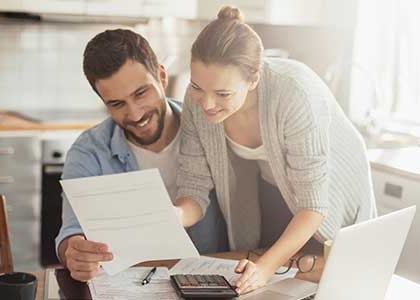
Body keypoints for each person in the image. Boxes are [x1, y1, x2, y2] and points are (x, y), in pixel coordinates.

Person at [173, 6, 377, 294]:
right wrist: (174, 216)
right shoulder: (197, 101)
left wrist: (266, 268)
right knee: (271, 273)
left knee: (328, 274)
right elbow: (193, 186)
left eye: (222, 94)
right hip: (273, 181)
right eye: (197, 87)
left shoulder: (295, 93)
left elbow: (313, 206)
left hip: (330, 190)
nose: (206, 103)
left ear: (253, 78)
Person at [55, 29, 228, 282]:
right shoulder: (89, 151)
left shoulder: (209, 129)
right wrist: (75, 252)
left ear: (161, 75)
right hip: (130, 284)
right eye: (117, 104)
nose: (135, 114)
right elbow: (71, 233)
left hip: (212, 280)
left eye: (140, 93)